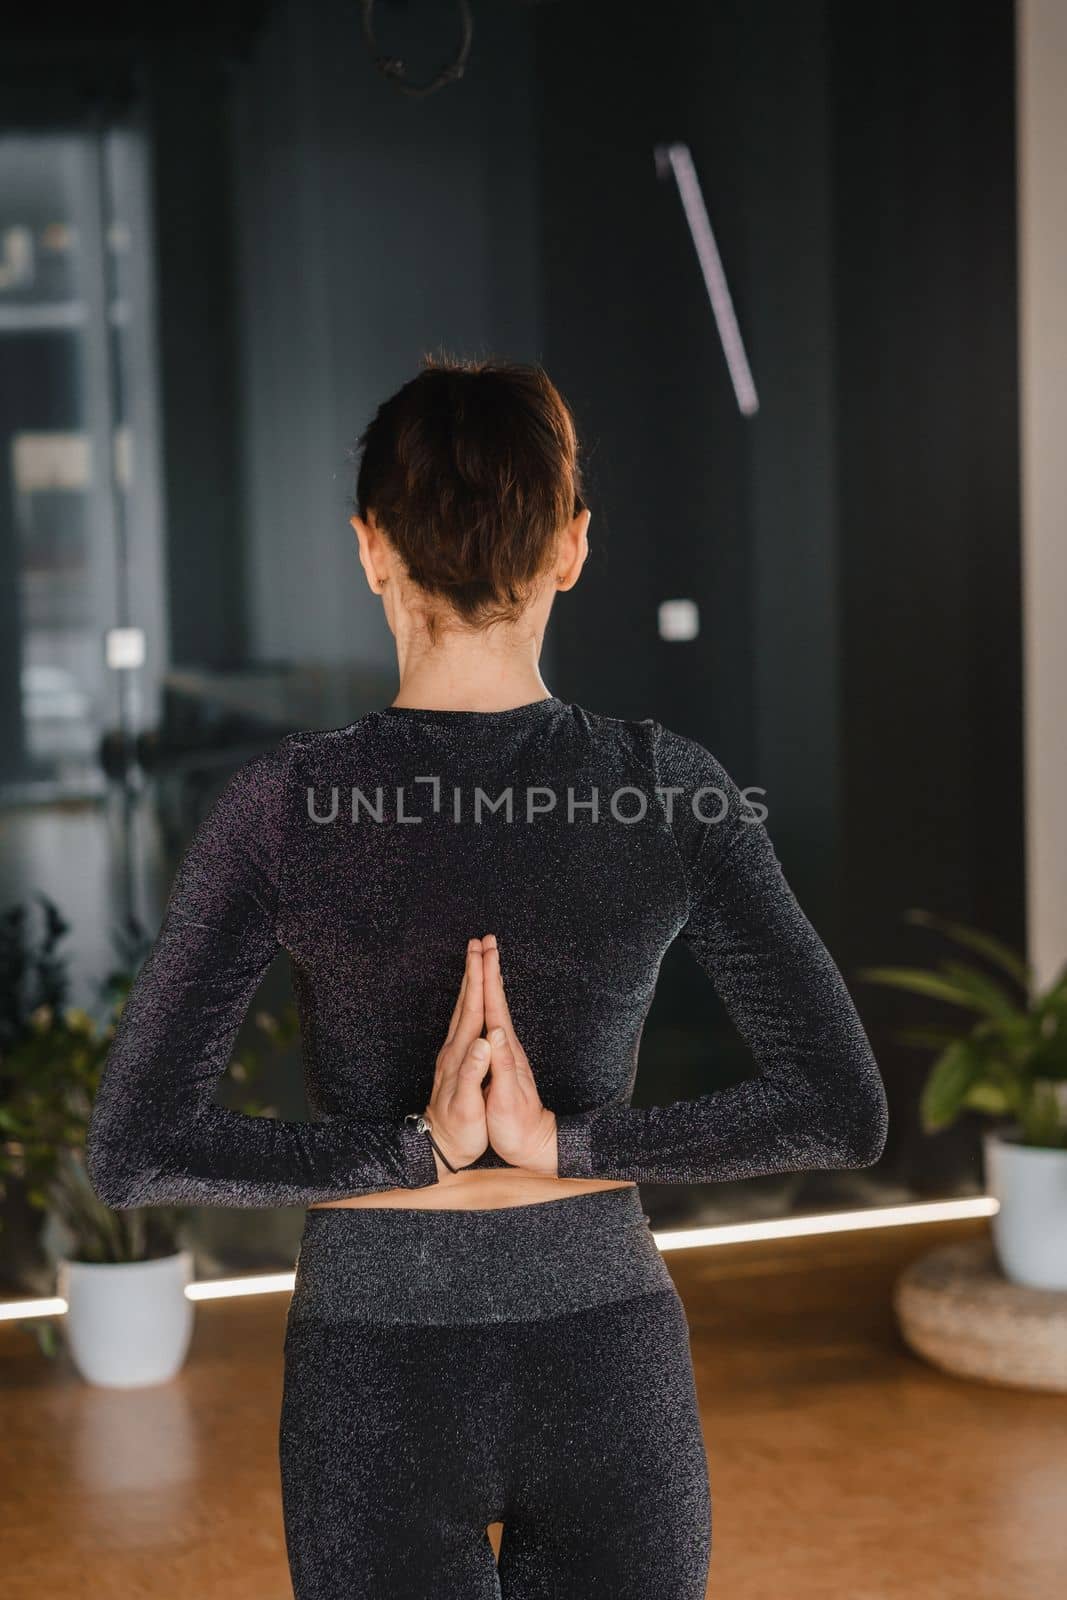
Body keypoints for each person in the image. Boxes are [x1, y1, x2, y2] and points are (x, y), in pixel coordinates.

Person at [86, 355, 889, 1600]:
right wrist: (560, 1143)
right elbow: (839, 1105)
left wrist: (411, 1152)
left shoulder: (284, 809)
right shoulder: (668, 788)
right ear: (570, 547)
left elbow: (134, 1149)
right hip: (606, 1364)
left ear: (370, 548)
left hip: (374, 1380)